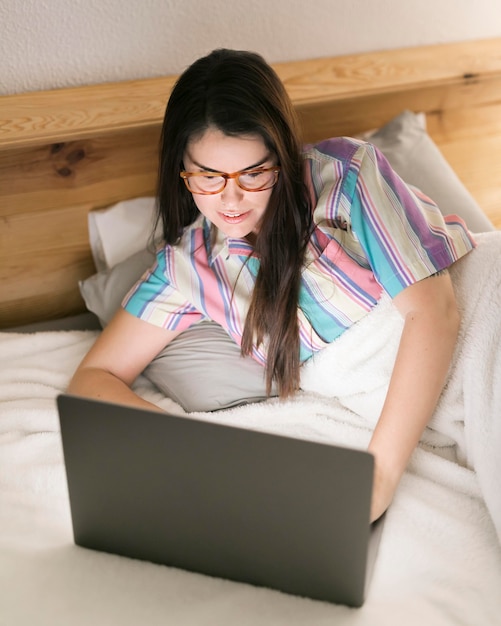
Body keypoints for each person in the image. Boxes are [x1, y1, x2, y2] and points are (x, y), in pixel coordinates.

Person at [68, 48, 476, 523]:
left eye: (255, 173)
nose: (232, 199)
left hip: (479, 310)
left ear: (280, 154)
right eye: (208, 177)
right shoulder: (189, 266)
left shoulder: (344, 176)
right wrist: (195, 449)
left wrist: (377, 480)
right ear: (181, 169)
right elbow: (91, 381)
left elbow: (434, 313)